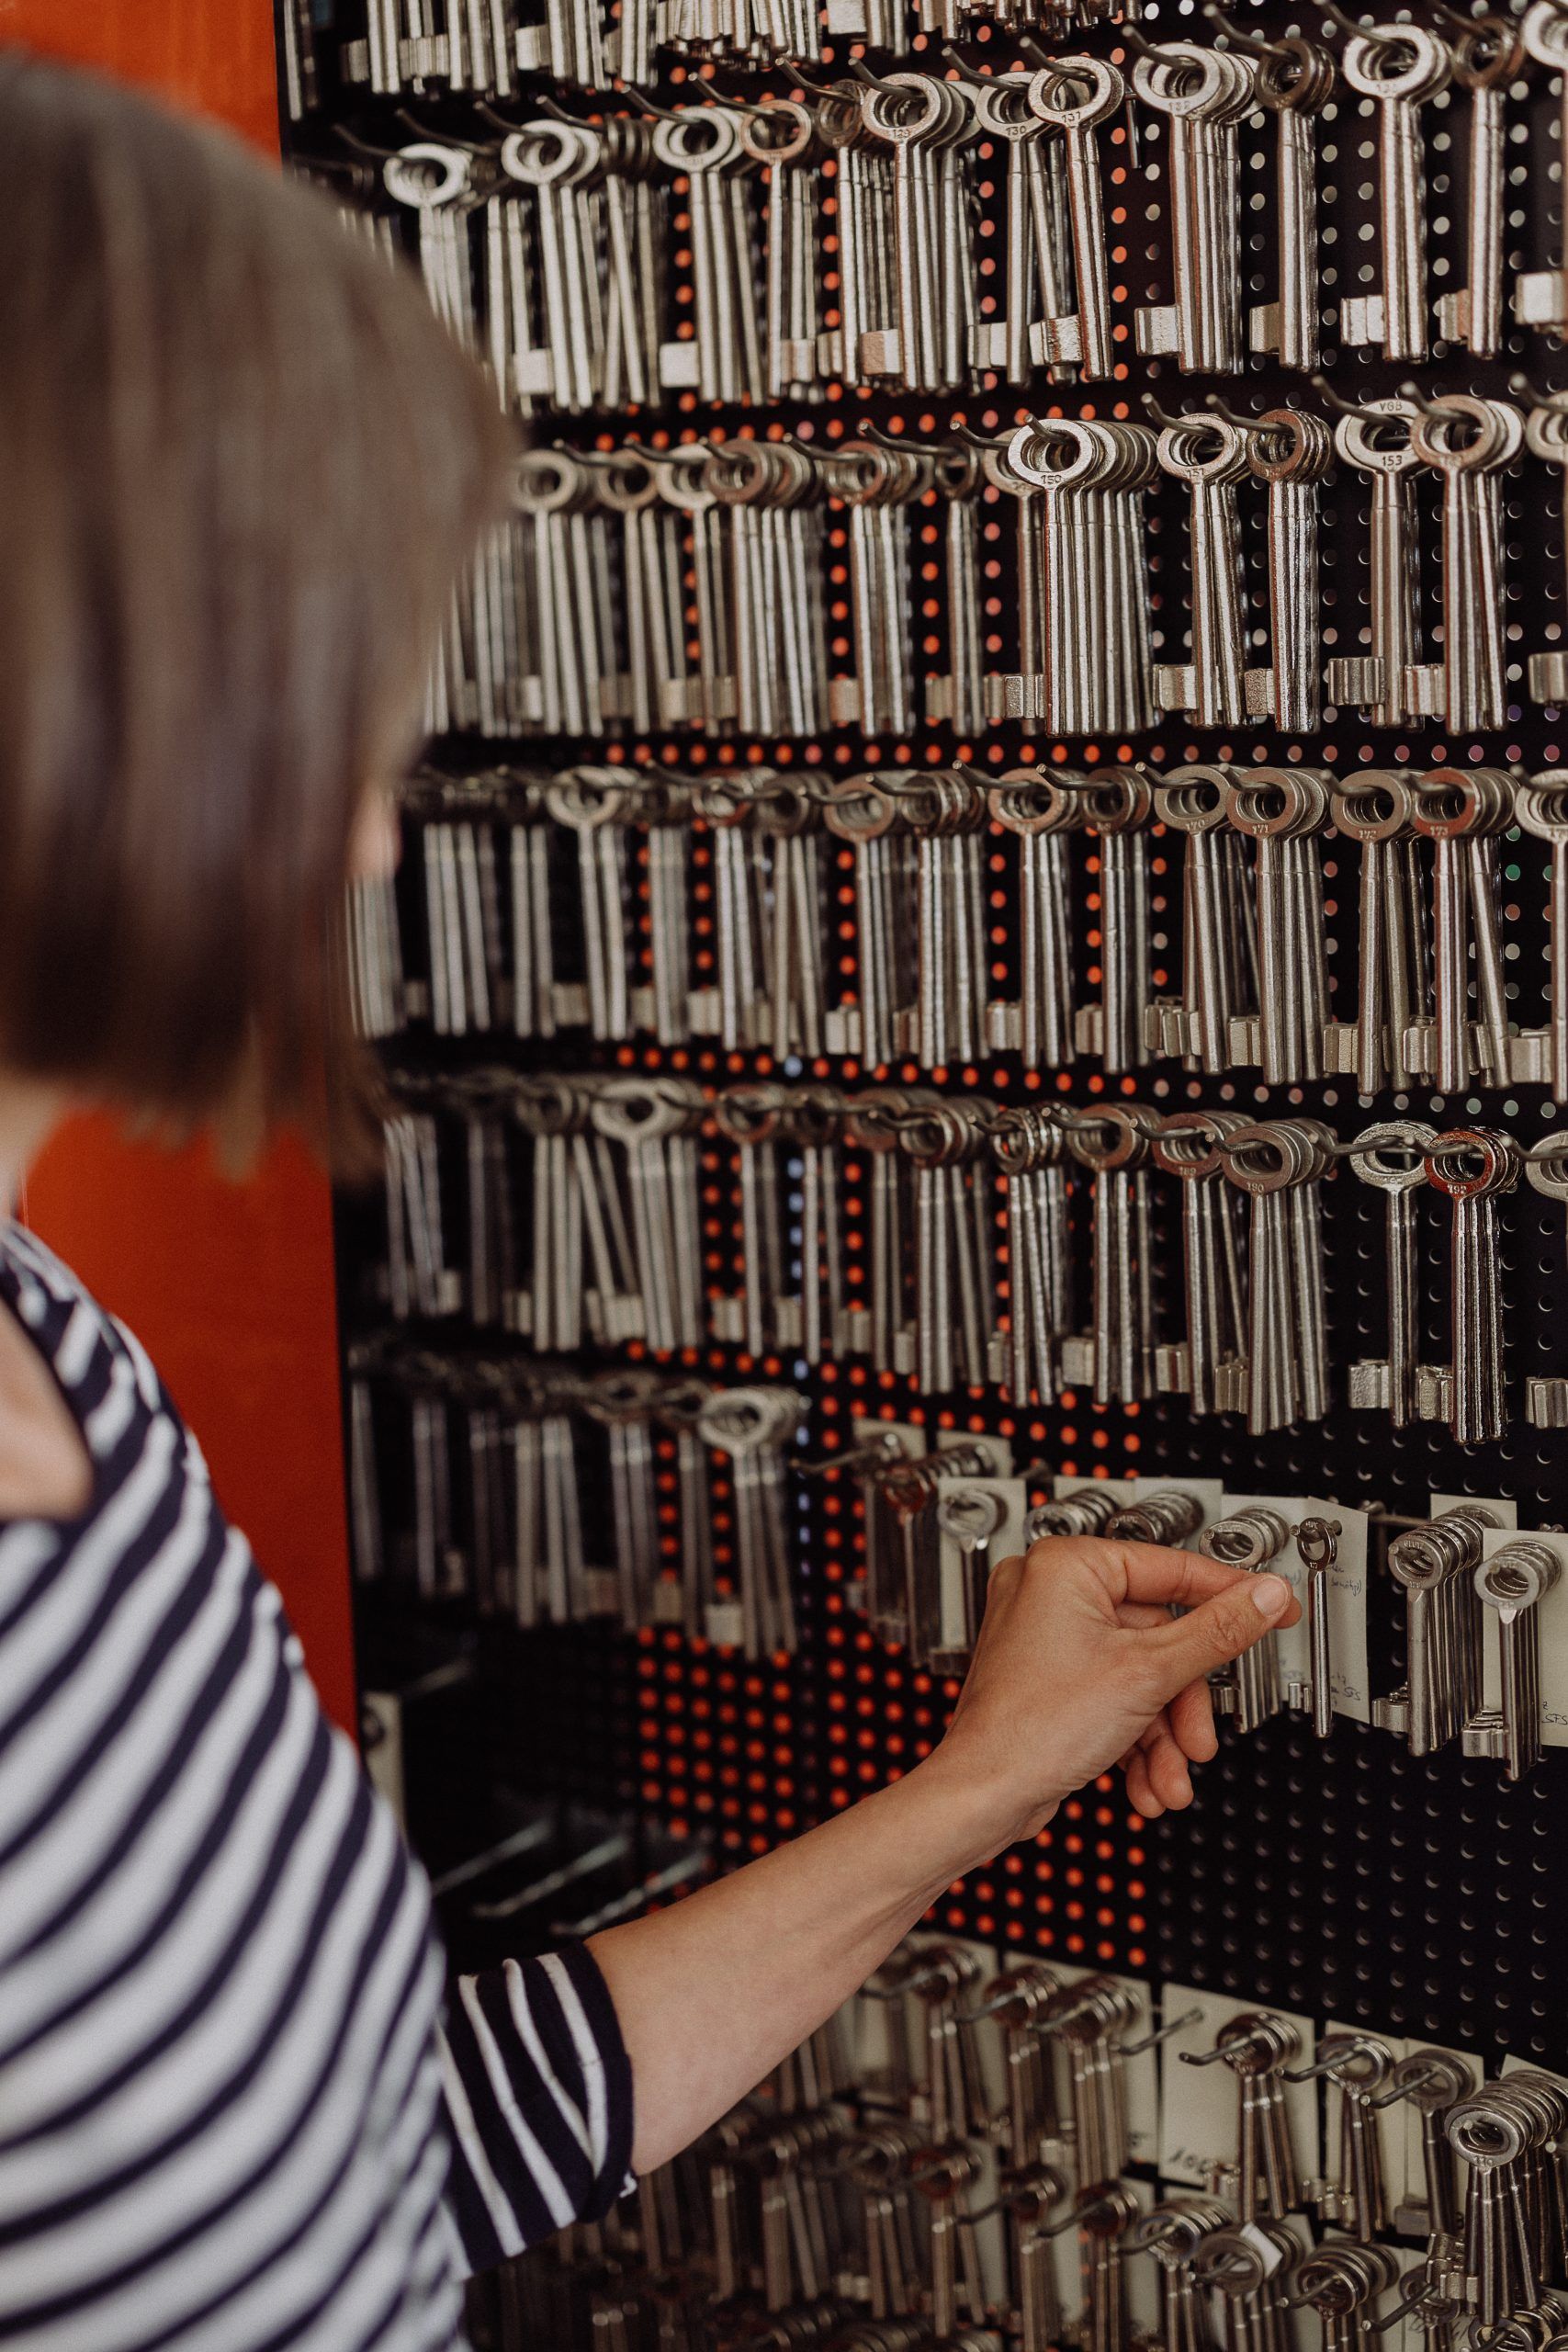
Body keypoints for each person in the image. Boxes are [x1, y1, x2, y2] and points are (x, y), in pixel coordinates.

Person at [0, 51, 1300, 2352]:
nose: (379, 835)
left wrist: (973, 1787)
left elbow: (385, 2130)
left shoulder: (59, 1359)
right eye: (328, 701)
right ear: (100, 691)